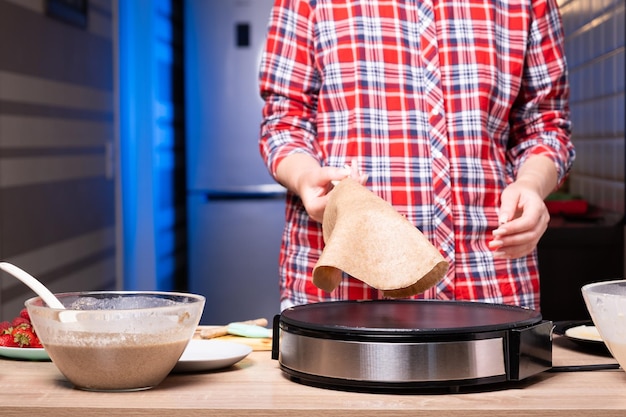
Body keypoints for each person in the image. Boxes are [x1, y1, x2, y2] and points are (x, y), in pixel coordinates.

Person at [258, 0, 575, 312]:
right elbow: (284, 121)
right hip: (345, 288)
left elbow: (545, 125)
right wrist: (304, 177)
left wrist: (532, 185)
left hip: (489, 279)